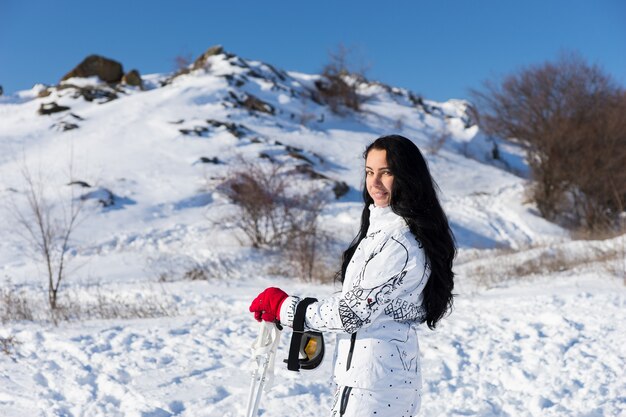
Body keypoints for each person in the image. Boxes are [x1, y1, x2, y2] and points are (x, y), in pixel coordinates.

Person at [249, 134, 456, 416]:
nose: (375, 182)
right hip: (381, 381)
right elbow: (361, 299)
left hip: (372, 389)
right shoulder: (384, 231)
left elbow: (351, 313)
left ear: (407, 176)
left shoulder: (398, 242)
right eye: (370, 172)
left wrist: (285, 307)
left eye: (386, 172)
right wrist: (308, 316)